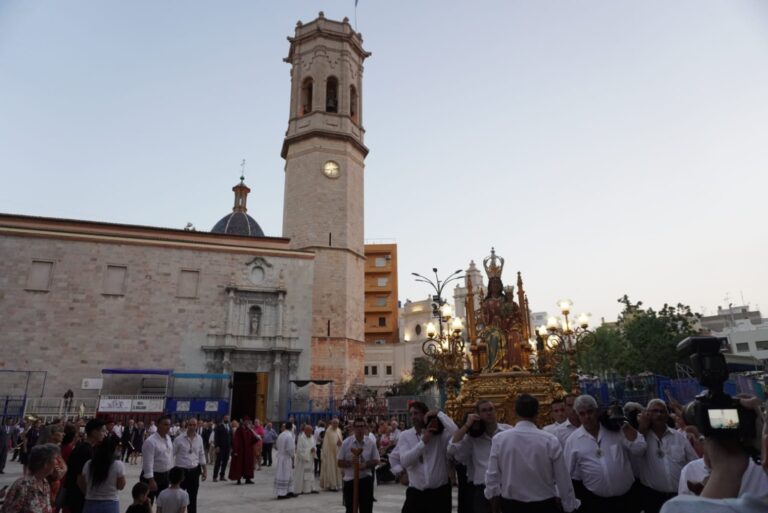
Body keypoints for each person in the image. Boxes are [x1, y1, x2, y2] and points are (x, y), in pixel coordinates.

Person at [485, 394, 580, 513]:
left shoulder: (500, 439)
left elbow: (492, 476)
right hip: (544, 504)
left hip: (512, 504)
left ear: (515, 413)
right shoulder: (549, 440)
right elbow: (562, 477)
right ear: (537, 413)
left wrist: (493, 500)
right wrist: (569, 506)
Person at [564, 394, 646, 513]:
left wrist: (624, 424)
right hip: (596, 503)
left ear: (597, 411)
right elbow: (566, 472)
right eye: (582, 414)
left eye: (590, 412)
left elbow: (640, 449)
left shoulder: (615, 429)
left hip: (627, 500)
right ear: (577, 415)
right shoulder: (573, 440)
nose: (587, 417)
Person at [390, 401, 458, 513]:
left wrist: (438, 414)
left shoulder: (440, 435)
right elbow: (404, 461)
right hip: (416, 493)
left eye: (416, 413)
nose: (413, 417)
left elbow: (455, 431)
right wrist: (423, 442)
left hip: (440, 493)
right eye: (411, 414)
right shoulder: (405, 435)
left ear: (425, 414)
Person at [633, 399, 699, 513]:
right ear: (647, 413)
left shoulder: (679, 437)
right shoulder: (641, 438)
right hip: (653, 497)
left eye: (662, 411)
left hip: (678, 496)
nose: (659, 414)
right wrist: (642, 427)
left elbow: (694, 462)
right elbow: (635, 450)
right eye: (654, 411)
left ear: (667, 414)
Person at [448, 399, 512, 513]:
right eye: (484, 410)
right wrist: (467, 426)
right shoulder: (472, 438)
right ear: (478, 415)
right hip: (482, 490)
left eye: (491, 409)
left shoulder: (508, 431)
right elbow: (452, 449)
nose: (488, 413)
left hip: (506, 488)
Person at [2, 443, 61, 513]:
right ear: (45, 463)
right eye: (55, 458)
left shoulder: (45, 484)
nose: (58, 462)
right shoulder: (23, 485)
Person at [63, 418, 106, 513]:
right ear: (94, 432)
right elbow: (80, 478)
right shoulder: (85, 450)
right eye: (102, 431)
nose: (105, 433)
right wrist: (89, 496)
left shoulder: (87, 448)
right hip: (77, 498)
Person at [338, 418, 379, 513]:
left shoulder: (370, 443)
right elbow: (339, 462)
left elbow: (376, 460)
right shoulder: (346, 443)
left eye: (362, 426)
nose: (360, 429)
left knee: (366, 508)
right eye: (357, 426)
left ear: (365, 428)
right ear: (353, 428)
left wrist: (365, 464)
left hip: (365, 480)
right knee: (350, 508)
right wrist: (350, 463)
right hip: (350, 481)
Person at [78, 435, 126, 513]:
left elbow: (81, 482)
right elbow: (121, 486)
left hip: (91, 502)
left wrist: (88, 492)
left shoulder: (89, 463)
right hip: (111, 503)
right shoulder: (118, 465)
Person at [172, 418, 206, 513]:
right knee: (178, 497)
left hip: (194, 471)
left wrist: (205, 470)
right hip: (181, 472)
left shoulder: (199, 439)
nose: (192, 427)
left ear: (197, 426)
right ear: (187, 425)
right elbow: (171, 454)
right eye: (190, 425)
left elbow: (201, 454)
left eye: (194, 425)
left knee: (193, 498)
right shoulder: (179, 439)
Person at [141, 415, 174, 504]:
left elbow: (169, 457)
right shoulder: (150, 441)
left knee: (163, 503)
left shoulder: (168, 438)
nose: (168, 427)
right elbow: (148, 462)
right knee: (147, 503)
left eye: (169, 425)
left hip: (165, 476)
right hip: (152, 476)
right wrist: (151, 480)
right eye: (165, 424)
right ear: (158, 425)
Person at [228, 418, 256, 485]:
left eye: (248, 422)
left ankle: (248, 479)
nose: (247, 423)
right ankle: (238, 479)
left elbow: (252, 439)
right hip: (241, 451)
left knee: (248, 465)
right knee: (239, 465)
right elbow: (236, 441)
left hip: (248, 451)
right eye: (246, 422)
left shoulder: (249, 430)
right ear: (243, 422)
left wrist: (257, 438)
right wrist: (235, 450)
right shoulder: (239, 430)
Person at [273, 422, 296, 499]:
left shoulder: (281, 434)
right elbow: (290, 449)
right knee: (284, 475)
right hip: (286, 458)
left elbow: (276, 446)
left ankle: (289, 491)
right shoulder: (289, 436)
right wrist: (293, 455)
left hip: (281, 457)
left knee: (287, 475)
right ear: (291, 428)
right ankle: (282, 493)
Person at [320, 418, 344, 491]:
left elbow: (340, 440)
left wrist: (340, 444)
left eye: (337, 423)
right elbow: (326, 444)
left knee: (338, 469)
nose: (335, 425)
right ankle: (331, 485)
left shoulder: (339, 430)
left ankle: (338, 484)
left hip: (338, 453)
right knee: (331, 469)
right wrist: (335, 444)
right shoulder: (328, 431)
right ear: (331, 423)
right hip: (330, 454)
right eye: (334, 423)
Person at [294, 424, 319, 495]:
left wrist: (314, 449)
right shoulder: (301, 438)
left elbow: (314, 446)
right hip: (304, 460)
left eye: (311, 431)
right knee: (303, 475)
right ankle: (302, 489)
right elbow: (299, 450)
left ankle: (311, 488)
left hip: (310, 459)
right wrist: (309, 451)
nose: (311, 432)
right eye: (309, 431)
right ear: (305, 431)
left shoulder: (312, 437)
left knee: (310, 474)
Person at [212, 416, 232, 481]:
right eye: (226, 418)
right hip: (220, 447)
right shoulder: (219, 426)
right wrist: (216, 446)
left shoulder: (229, 427)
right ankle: (215, 476)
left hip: (227, 447)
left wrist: (232, 446)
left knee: (225, 462)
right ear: (223, 419)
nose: (227, 419)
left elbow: (231, 437)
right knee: (218, 462)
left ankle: (222, 476)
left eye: (228, 418)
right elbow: (216, 437)